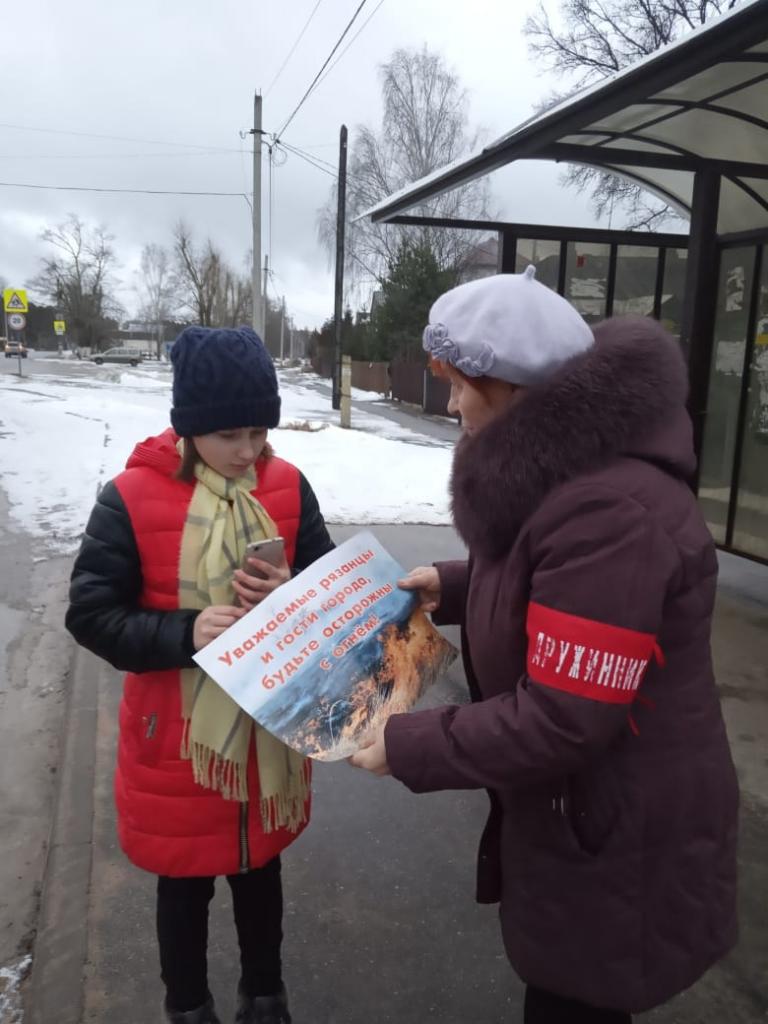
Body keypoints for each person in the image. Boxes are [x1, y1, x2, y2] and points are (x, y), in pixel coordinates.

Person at [351, 268, 739, 1023]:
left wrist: (408, 744)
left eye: (463, 387)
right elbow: (544, 575)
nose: (454, 405)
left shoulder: (612, 512)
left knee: (577, 1005)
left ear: (517, 390)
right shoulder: (567, 470)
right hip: (585, 819)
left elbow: (563, 715)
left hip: (617, 835)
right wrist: (455, 585)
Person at [67, 325, 334, 1024]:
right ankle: (187, 1005)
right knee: (182, 887)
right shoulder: (128, 497)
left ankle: (265, 994)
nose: (248, 452)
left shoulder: (287, 486)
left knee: (259, 871)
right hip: (177, 743)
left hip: (265, 736)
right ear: (187, 428)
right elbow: (92, 615)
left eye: (258, 431)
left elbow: (328, 589)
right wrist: (188, 633)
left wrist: (292, 592)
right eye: (227, 435)